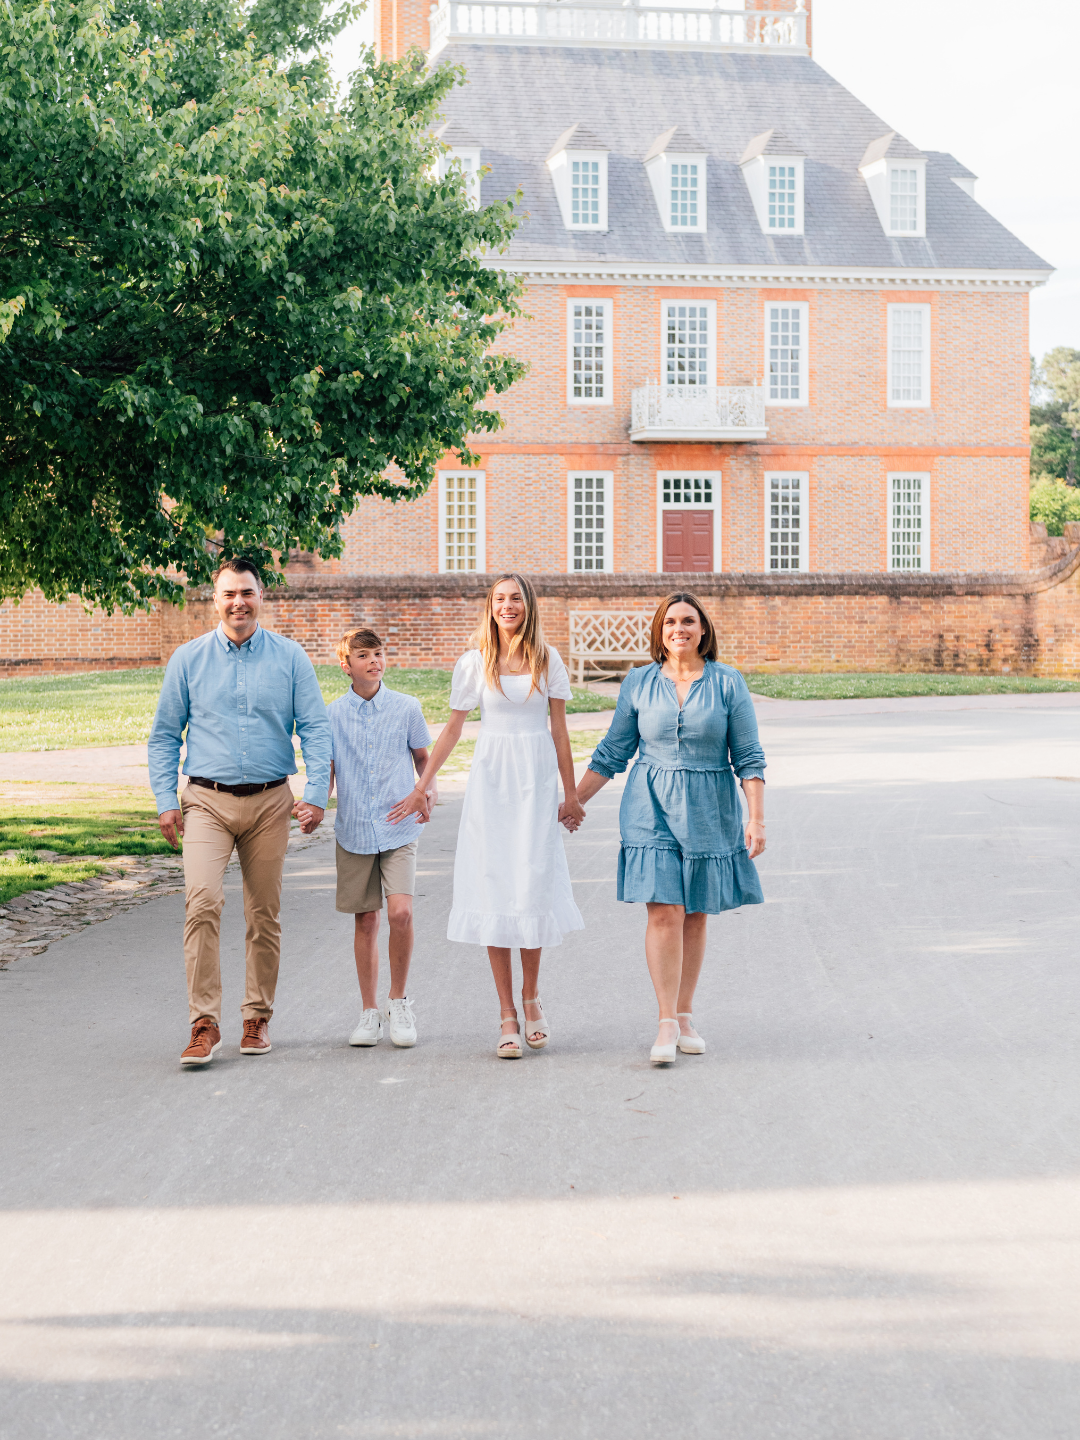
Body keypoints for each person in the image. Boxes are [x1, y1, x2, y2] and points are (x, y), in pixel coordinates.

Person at [388, 573, 585, 1058]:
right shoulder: (475, 662)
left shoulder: (548, 660)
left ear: (528, 604)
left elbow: (560, 733)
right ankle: (506, 1013)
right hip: (492, 784)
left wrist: (572, 794)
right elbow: (453, 729)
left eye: (515, 598)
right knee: (496, 886)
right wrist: (421, 785)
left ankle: (532, 997)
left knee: (531, 884)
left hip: (536, 784)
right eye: (499, 599)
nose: (507, 605)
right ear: (490, 606)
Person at [149, 559, 332, 1067]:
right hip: (206, 801)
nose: (238, 602)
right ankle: (203, 1022)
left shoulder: (291, 658)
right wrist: (166, 800)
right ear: (214, 599)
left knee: (263, 913)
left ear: (261, 597)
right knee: (202, 902)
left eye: (247, 593)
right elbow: (165, 735)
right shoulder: (187, 660)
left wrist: (316, 792)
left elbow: (315, 728)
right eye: (229, 593)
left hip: (272, 802)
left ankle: (257, 1016)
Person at [573, 592, 766, 1066]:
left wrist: (755, 817)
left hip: (709, 807)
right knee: (664, 910)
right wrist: (574, 800)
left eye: (688, 621)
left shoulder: (727, 683)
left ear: (703, 631)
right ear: (660, 632)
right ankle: (664, 1020)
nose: (679, 629)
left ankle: (685, 1013)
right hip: (649, 804)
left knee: (695, 912)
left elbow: (749, 756)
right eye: (670, 623)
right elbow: (613, 751)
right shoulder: (638, 682)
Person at [304, 628, 436, 1049]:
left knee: (400, 913)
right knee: (366, 920)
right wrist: (315, 805)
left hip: (399, 827)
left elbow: (424, 761)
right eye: (364, 655)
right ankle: (368, 1011)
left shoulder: (407, 708)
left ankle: (398, 1002)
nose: (374, 661)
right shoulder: (330, 715)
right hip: (355, 830)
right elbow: (324, 772)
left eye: (378, 653)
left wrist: (427, 792)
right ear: (346, 665)